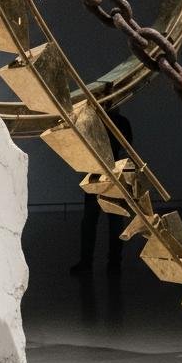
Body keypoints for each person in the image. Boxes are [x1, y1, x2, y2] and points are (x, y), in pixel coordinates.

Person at [70, 105, 133, 276]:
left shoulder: (117, 123)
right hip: (99, 177)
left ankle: (106, 262)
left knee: (108, 222)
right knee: (97, 222)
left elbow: (125, 151)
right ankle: (103, 262)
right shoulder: (101, 121)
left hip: (109, 178)